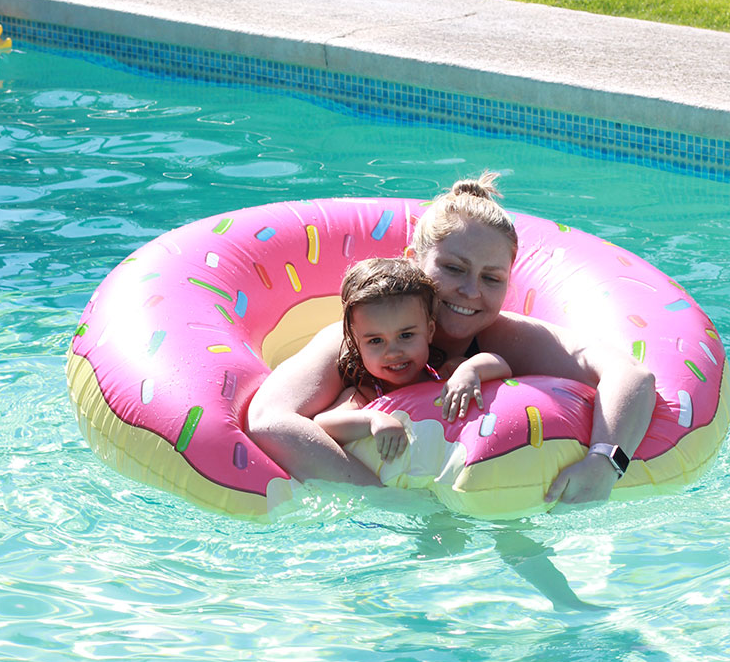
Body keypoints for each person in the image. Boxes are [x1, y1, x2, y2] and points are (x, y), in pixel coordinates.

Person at [246, 172, 656, 505]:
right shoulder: (356, 341)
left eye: (491, 278)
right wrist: (381, 499)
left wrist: (605, 462)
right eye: (454, 268)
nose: (471, 291)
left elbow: (632, 376)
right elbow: (269, 419)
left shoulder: (504, 338)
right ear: (414, 261)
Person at [312, 256, 512, 463]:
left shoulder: (447, 374)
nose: (393, 352)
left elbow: (502, 366)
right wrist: (373, 419)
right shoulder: (367, 394)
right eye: (376, 341)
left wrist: (471, 370)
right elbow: (323, 422)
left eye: (406, 336)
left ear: (430, 331)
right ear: (356, 343)